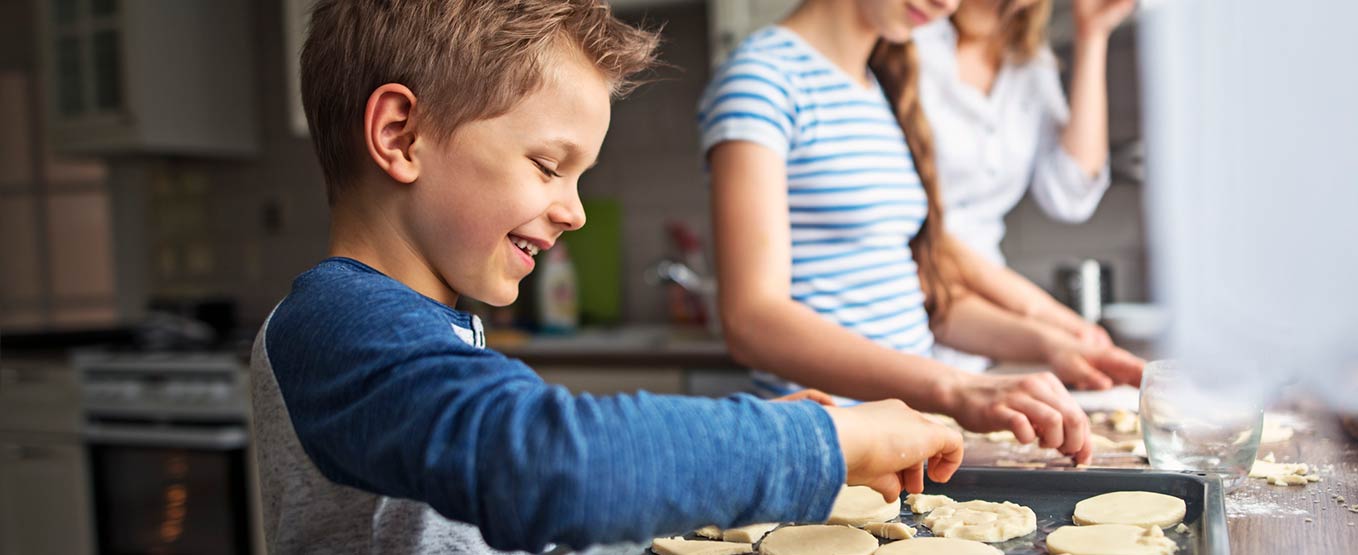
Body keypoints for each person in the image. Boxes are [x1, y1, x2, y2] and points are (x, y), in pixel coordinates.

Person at [251, 1, 963, 553]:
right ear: (400, 135)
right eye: (547, 164)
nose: (575, 212)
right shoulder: (338, 324)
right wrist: (825, 439)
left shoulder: (417, 325)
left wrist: (777, 433)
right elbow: (549, 461)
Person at [700, 0, 1115, 463]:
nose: (947, 5)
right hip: (826, 444)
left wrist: (1050, 345)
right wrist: (956, 387)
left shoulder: (874, 86)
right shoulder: (762, 77)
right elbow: (752, 322)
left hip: (901, 443)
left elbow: (920, 297)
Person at [913, 0, 1145, 385]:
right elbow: (919, 236)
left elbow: (1071, 194)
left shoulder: (1029, 61)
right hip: (913, 307)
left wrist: (1092, 35)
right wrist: (1043, 316)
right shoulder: (908, 36)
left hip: (976, 329)